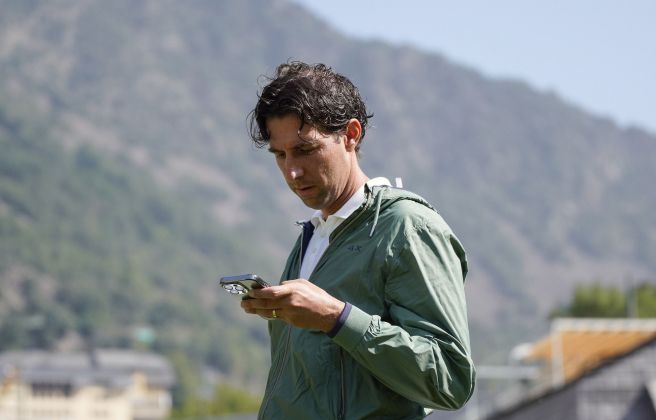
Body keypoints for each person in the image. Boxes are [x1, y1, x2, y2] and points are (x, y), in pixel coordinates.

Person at [242, 61, 475, 419]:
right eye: (280, 154)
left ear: (351, 135)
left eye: (305, 150)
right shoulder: (312, 238)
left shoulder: (407, 227)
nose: (292, 171)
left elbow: (450, 379)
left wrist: (336, 318)